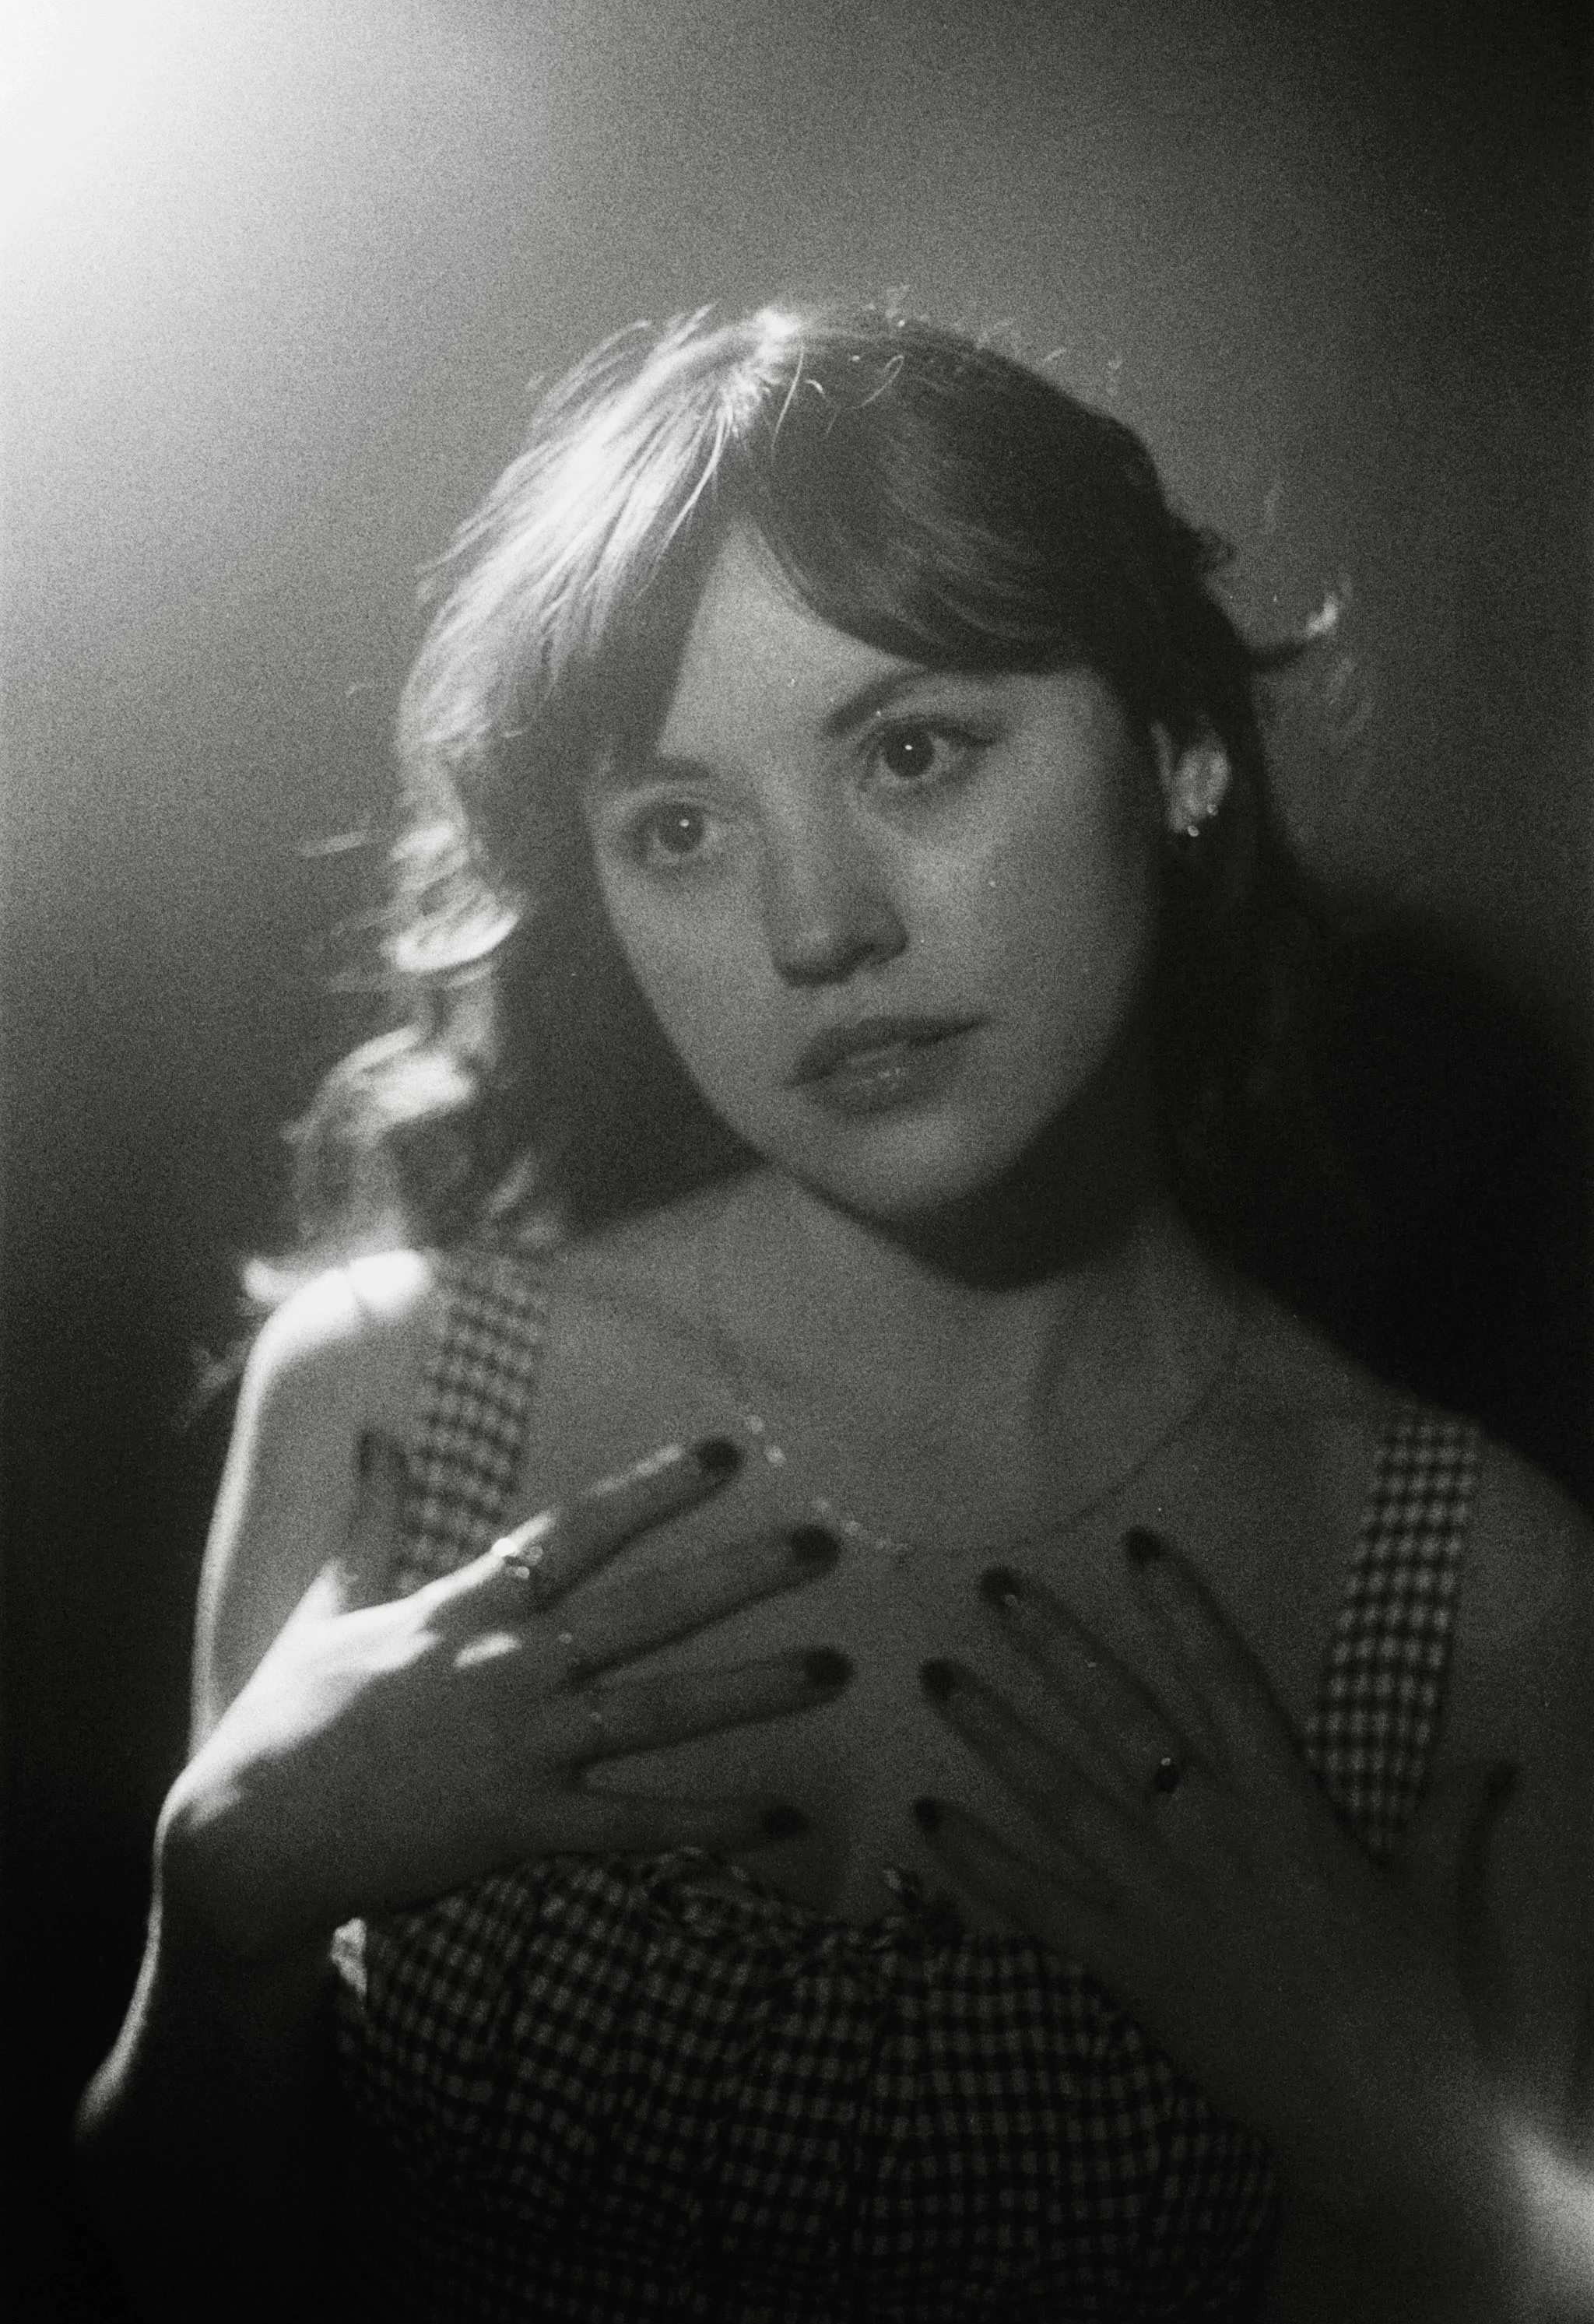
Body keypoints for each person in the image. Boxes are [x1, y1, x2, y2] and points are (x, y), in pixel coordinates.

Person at [78, 304, 1592, 2322]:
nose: (816, 928)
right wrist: (230, 1913)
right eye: (679, 828)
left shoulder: (1483, 1597)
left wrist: (1421, 2156)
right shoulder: (389, 1399)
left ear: (1182, 752)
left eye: (913, 749)